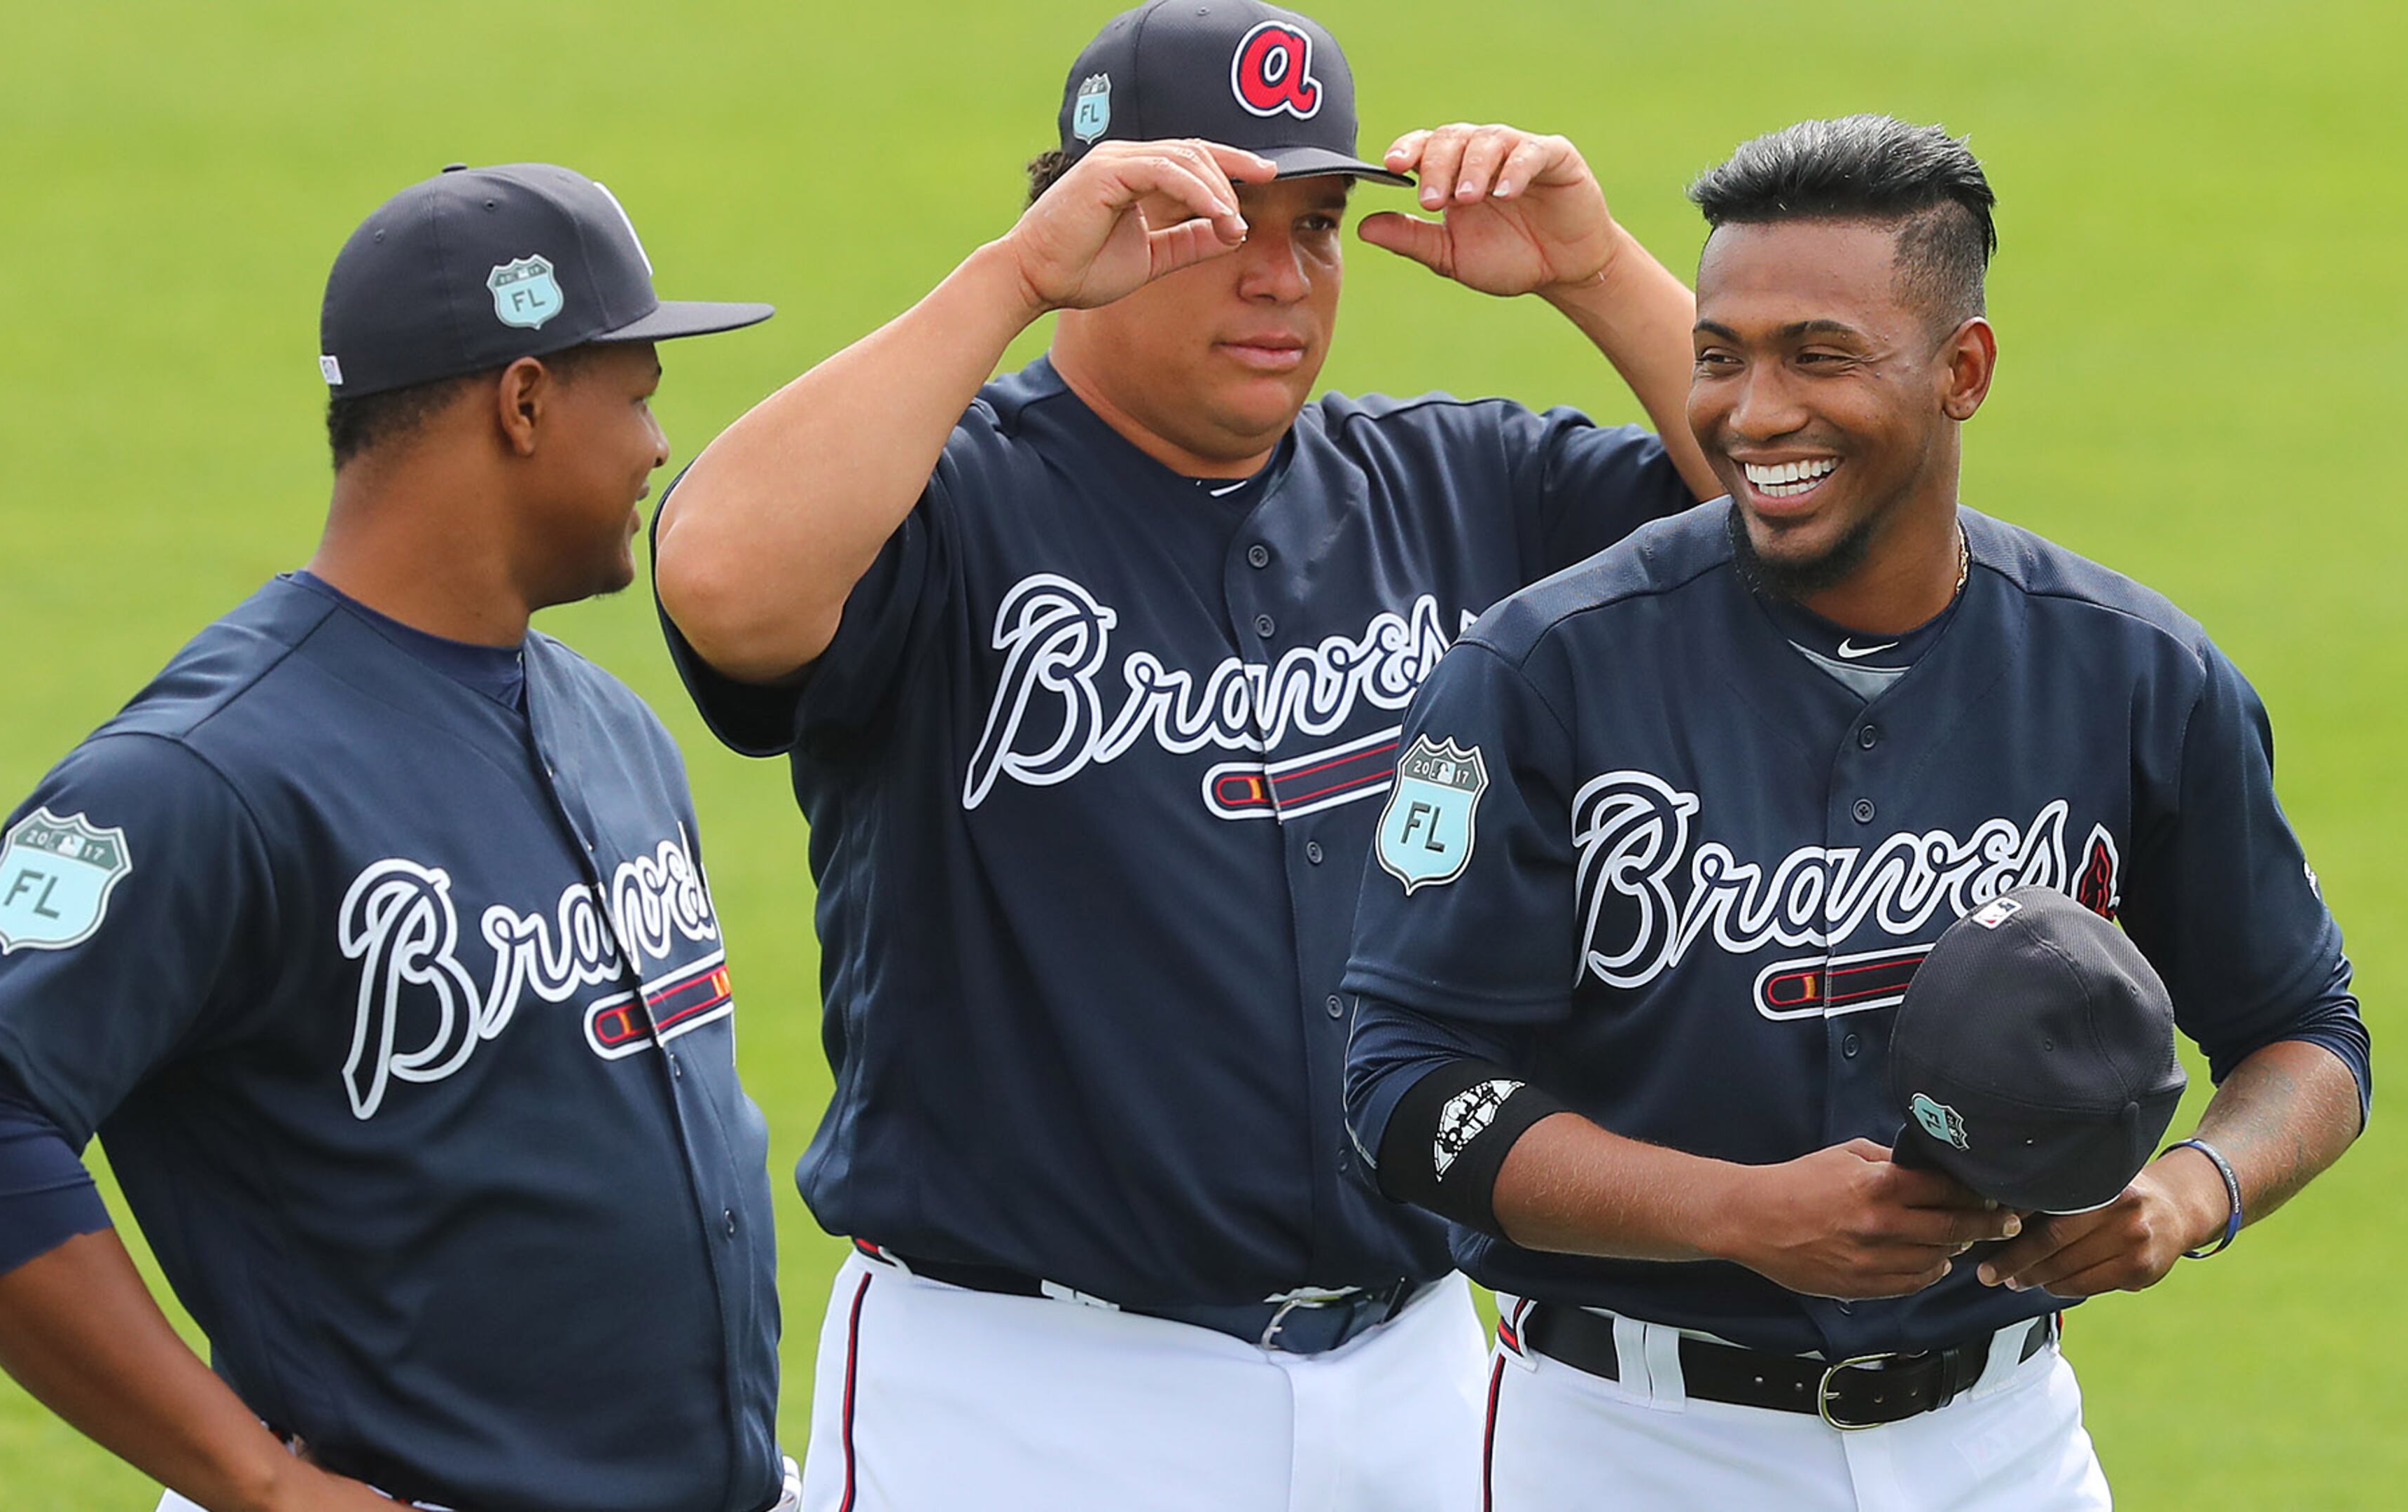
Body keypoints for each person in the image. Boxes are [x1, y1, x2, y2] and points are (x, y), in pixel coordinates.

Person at [648, 1, 1722, 1506]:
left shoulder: (1457, 488)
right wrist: (1012, 280)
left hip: (1415, 1370)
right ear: (1100, 219)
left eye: (1321, 222)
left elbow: (1817, 515)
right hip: (1023, 1392)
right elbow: (720, 579)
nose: (1281, 275)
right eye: (1216, 220)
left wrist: (1598, 268)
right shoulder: (947, 510)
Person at [1338, 114, 2371, 1509]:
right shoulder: (1537, 674)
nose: (1755, 412)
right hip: (1632, 1445)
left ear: (1964, 370)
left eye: (1819, 355)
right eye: (1722, 356)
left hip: (2003, 1444)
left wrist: (2188, 1198)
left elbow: (2308, 1035)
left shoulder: (2135, 673)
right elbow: (1403, 1087)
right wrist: (1738, 1215)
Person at [0, 163, 793, 1512]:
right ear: (523, 403)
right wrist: (259, 1484)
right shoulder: (200, 774)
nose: (657, 446)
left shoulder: (611, 723)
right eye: (636, 395)